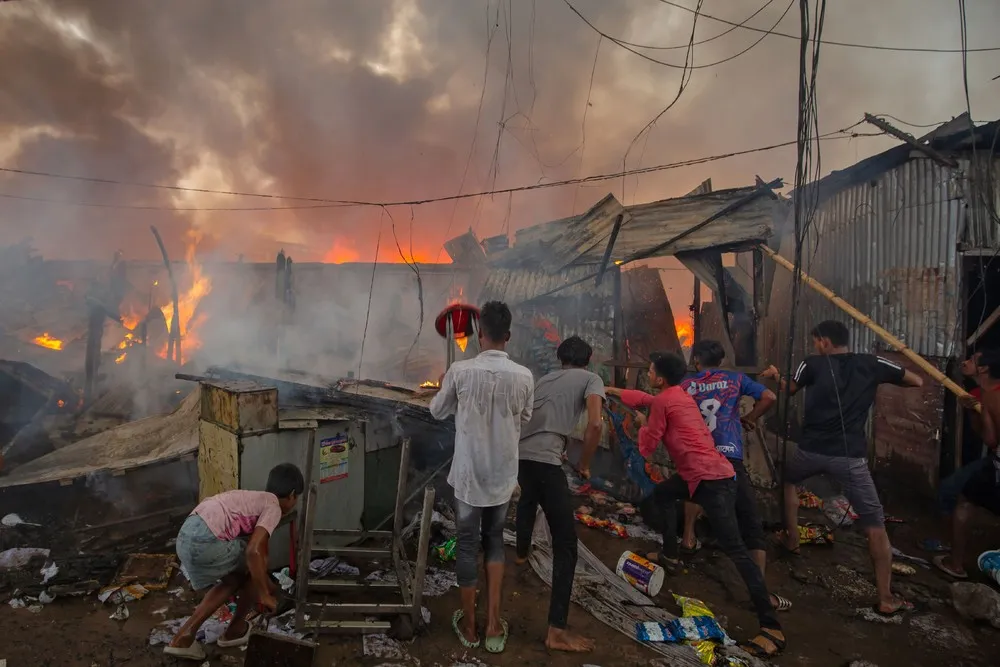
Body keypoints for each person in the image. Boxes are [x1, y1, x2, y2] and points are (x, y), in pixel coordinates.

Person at [606, 351, 786, 658]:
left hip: (712, 481)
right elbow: (646, 400)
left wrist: (642, 425)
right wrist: (613, 391)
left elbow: (648, 447)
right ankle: (671, 555)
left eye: (649, 372)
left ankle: (772, 628)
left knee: (736, 550)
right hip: (698, 476)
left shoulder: (668, 400)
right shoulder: (676, 393)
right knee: (661, 496)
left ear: (659, 378)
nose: (648, 375)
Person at [761, 320, 923, 618]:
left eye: (815, 341)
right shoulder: (872, 363)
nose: (814, 347)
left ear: (824, 341)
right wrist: (877, 381)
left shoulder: (811, 364)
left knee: (787, 482)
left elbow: (790, 387)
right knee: (875, 524)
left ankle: (792, 540)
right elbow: (916, 381)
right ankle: (886, 598)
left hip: (809, 452)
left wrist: (774, 375)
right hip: (851, 458)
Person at [429, 300, 534, 654]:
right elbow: (526, 416)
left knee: (467, 544)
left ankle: (470, 627)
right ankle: (492, 625)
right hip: (502, 477)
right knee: (493, 543)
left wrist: (448, 387)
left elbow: (436, 410)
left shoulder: (460, 371)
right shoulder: (524, 376)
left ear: (479, 335)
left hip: (469, 477)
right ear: (507, 335)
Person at [679, 340, 790, 611]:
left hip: (699, 453)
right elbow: (770, 397)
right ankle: (759, 590)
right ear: (720, 361)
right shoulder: (734, 378)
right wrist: (751, 417)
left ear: (696, 362)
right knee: (750, 518)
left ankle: (688, 538)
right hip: (728, 456)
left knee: (694, 488)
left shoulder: (687, 385)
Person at [515, 335, 604, 653]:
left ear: (560, 358)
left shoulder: (544, 380)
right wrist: (584, 463)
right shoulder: (592, 379)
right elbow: (595, 425)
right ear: (588, 360)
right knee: (566, 545)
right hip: (546, 463)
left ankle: (521, 553)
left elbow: (534, 421)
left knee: (528, 499)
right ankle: (556, 631)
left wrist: (560, 449)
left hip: (521, 457)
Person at [165, 463, 305, 661]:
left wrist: (268, 584)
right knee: (250, 571)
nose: (295, 502)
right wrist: (264, 594)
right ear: (292, 494)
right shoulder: (272, 506)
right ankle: (235, 630)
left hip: (186, 536)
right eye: (296, 498)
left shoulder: (252, 498)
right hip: (205, 539)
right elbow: (254, 551)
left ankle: (184, 637)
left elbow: (255, 553)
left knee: (234, 580)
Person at [934, 351, 1000, 578]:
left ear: (983, 369)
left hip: (997, 460)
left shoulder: (990, 396)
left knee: (963, 501)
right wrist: (973, 410)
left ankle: (956, 563)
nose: (964, 362)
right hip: (993, 460)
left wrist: (976, 411)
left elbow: (990, 440)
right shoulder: (976, 393)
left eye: (971, 360)